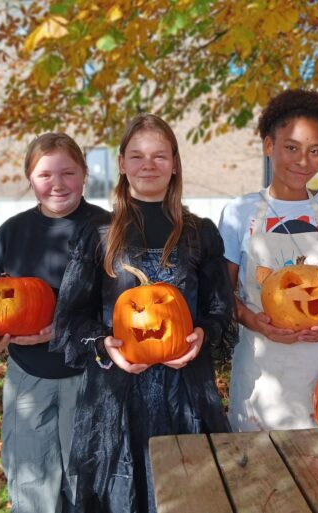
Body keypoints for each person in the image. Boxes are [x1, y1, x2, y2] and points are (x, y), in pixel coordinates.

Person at [51, 113, 233, 513]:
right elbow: (70, 319)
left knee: (189, 495)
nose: (148, 165)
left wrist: (203, 333)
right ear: (121, 164)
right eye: (137, 156)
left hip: (185, 395)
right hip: (116, 399)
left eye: (159, 156)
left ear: (174, 162)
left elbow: (220, 310)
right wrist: (104, 345)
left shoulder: (200, 232)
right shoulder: (99, 233)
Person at [0, 133, 106, 513]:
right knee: (31, 480)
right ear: (30, 177)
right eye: (45, 174)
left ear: (84, 175)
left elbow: (126, 306)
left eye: (68, 172)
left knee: (88, 481)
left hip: (91, 375)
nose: (57, 184)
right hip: (27, 375)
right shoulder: (12, 233)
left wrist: (74, 329)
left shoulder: (107, 228)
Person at [218, 89, 318, 431]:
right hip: (263, 371)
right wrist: (254, 321)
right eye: (291, 148)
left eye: (314, 151)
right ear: (270, 146)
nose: (302, 161)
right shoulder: (241, 212)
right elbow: (224, 292)